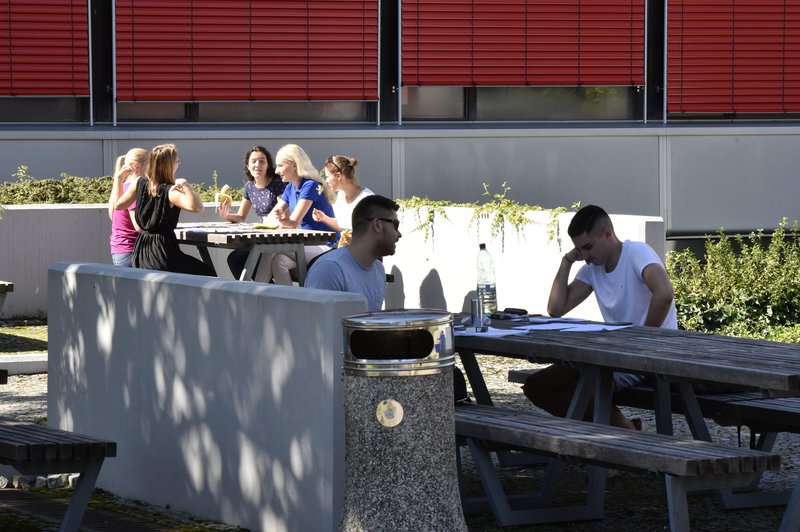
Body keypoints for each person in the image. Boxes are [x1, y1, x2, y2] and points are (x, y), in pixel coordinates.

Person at [522, 204, 677, 430]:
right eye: (579, 250)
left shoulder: (636, 252)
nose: (585, 256)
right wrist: (567, 260)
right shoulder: (593, 268)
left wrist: (641, 338)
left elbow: (664, 294)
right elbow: (556, 308)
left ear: (607, 234)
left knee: (583, 392)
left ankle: (623, 435)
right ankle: (626, 430)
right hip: (611, 356)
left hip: (650, 353)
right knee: (537, 386)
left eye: (588, 247)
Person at [114, 143, 215, 276]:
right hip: (162, 253)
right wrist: (185, 185)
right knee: (208, 273)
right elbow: (198, 207)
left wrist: (120, 180)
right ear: (170, 165)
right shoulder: (171, 192)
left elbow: (118, 205)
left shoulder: (139, 183)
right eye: (177, 162)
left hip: (141, 253)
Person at [305, 195, 401, 311]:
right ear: (377, 225)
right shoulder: (330, 269)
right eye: (395, 225)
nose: (399, 234)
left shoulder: (378, 269)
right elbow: (317, 325)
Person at [261, 143, 338, 285]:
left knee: (269, 250)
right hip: (309, 243)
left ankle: (254, 292)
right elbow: (271, 218)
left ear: (294, 165)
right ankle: (288, 303)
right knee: (279, 261)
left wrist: (280, 221)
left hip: (327, 246)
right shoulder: (291, 187)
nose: (276, 171)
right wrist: (277, 216)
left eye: (280, 166)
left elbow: (293, 223)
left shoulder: (310, 185)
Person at [218, 146, 286, 279]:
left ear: (268, 165)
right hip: (261, 237)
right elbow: (241, 216)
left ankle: (264, 290)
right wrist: (227, 215)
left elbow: (283, 213)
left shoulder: (277, 183)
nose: (257, 165)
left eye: (262, 161)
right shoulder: (249, 186)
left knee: (239, 258)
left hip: (277, 237)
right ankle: (256, 291)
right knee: (235, 258)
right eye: (253, 161)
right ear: (247, 166)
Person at [311, 155, 373, 247]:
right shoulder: (341, 195)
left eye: (327, 176)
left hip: (363, 253)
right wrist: (323, 218)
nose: (326, 181)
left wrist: (353, 240)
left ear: (338, 176)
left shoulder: (367, 199)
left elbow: (373, 234)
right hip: (347, 250)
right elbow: (342, 225)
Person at [108, 148, 148, 267]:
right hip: (132, 250)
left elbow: (112, 216)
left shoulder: (122, 187)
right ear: (137, 166)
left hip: (118, 249)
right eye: (150, 164)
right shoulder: (134, 190)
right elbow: (139, 226)